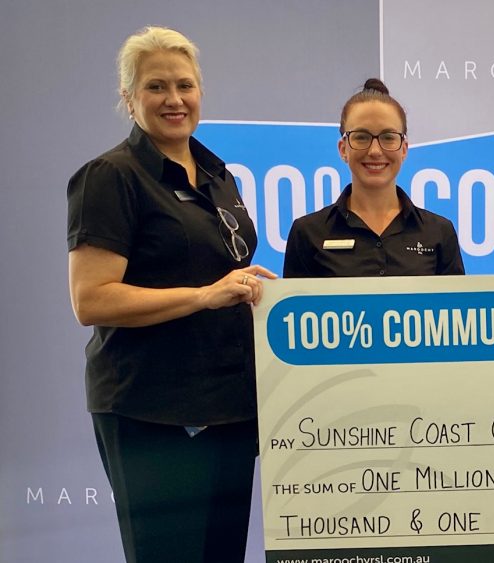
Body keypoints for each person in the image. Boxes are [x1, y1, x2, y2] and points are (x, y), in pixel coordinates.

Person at [66, 26, 275, 563]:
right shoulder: (111, 177)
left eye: (185, 85)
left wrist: (239, 283)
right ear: (129, 98)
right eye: (156, 87)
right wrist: (204, 295)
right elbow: (93, 300)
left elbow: (208, 264)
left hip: (228, 409)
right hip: (152, 413)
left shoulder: (216, 174)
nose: (174, 100)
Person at [283, 78, 464, 278]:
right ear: (343, 149)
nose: (375, 151)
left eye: (388, 137)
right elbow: (294, 307)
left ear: (403, 149)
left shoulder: (439, 232)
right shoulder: (307, 233)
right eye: (361, 137)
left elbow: (455, 308)